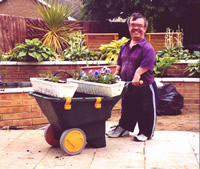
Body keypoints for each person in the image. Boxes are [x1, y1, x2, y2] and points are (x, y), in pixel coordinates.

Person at [106, 12, 158, 142]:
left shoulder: (147, 48)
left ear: (145, 28)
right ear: (129, 27)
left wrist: (138, 73)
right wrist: (116, 72)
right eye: (133, 25)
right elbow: (120, 62)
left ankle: (146, 132)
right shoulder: (125, 46)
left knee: (145, 110)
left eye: (139, 25)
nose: (136, 28)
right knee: (128, 108)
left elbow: (147, 64)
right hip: (128, 86)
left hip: (144, 86)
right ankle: (124, 128)